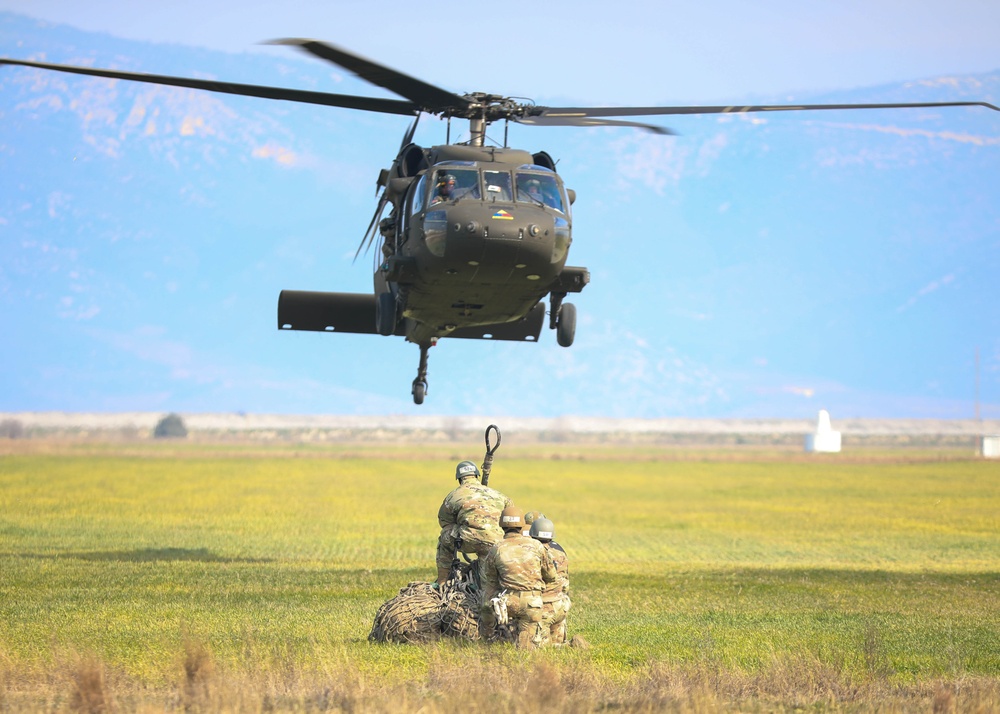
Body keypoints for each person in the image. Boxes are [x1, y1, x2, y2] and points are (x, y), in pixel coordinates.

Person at [479, 505, 557, 648]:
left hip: (508, 603)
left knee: (486, 607)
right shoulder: (537, 546)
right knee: (527, 645)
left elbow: (490, 579)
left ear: (502, 525)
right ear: (522, 525)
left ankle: (488, 641)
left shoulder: (497, 548)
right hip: (532, 604)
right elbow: (551, 576)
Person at [435, 460, 512, 586]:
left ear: (459, 479)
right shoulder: (498, 495)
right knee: (487, 554)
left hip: (468, 540)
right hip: (497, 542)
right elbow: (511, 515)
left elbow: (444, 522)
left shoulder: (454, 495)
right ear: (476, 475)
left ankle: (442, 582)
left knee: (444, 538)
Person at [530, 516, 571, 645]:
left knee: (541, 648)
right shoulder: (560, 553)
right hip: (561, 605)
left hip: (545, 607)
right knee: (557, 646)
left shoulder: (534, 554)